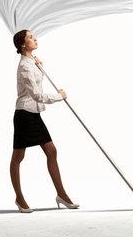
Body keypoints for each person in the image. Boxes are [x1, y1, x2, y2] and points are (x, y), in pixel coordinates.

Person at [10, 29, 80, 213]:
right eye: (31, 37)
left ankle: (61, 195)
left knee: (52, 151)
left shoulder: (31, 62)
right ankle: (19, 198)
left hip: (33, 115)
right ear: (23, 45)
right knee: (18, 157)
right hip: (24, 115)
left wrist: (38, 64)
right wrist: (59, 96)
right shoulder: (24, 67)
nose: (35, 39)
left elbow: (37, 83)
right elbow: (36, 95)